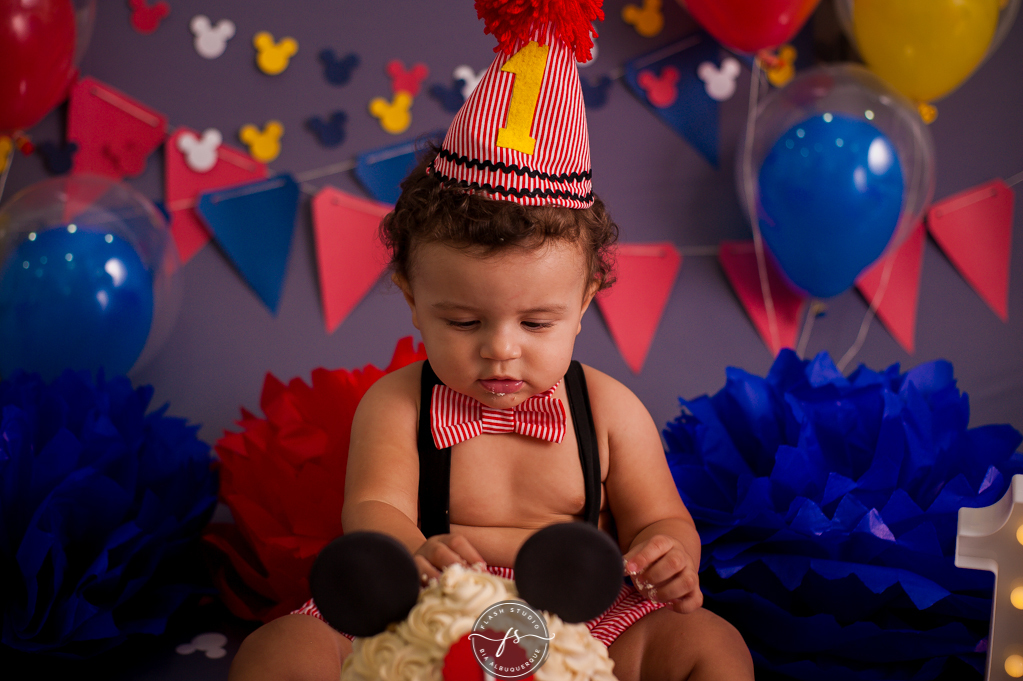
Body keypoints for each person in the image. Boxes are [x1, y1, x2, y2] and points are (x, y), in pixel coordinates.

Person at [230, 1, 753, 678]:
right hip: (424, 602)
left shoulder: (608, 409)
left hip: (581, 610)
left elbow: (659, 518)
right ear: (412, 296)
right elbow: (373, 508)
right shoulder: (397, 405)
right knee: (277, 648)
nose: (500, 348)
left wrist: (666, 553)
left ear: (585, 299)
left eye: (536, 322)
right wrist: (409, 549)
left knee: (712, 645)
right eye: (464, 321)